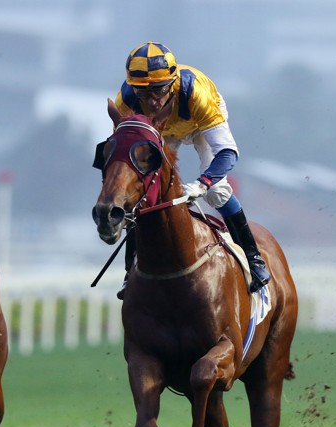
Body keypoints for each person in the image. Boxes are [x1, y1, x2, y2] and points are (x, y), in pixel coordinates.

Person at [111, 41, 270, 300]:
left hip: (198, 123)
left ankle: (254, 260)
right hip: (161, 129)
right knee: (142, 192)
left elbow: (228, 153)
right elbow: (124, 155)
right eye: (143, 92)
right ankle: (131, 273)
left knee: (216, 192)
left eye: (159, 90)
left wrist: (202, 183)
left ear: (172, 82)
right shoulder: (126, 99)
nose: (152, 101)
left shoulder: (195, 93)